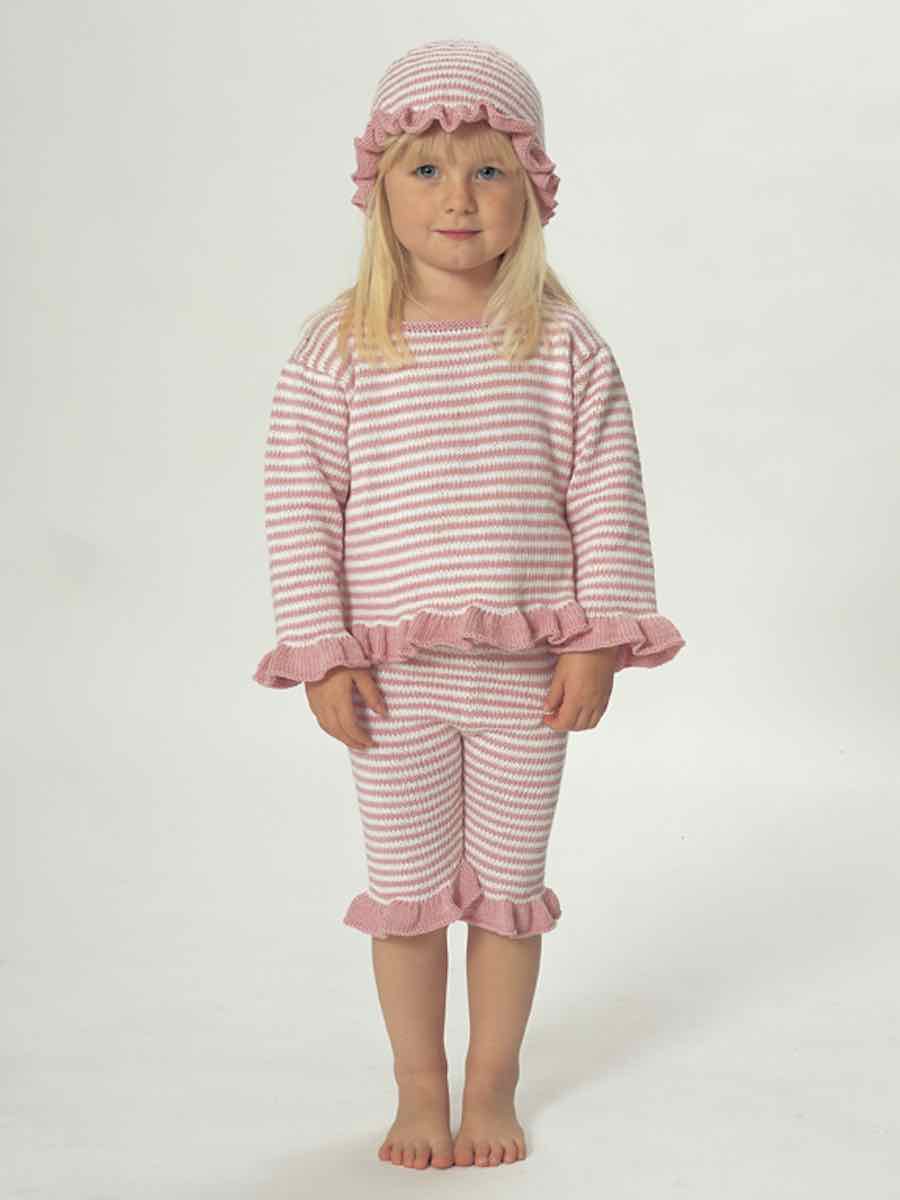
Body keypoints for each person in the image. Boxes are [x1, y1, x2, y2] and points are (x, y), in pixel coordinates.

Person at [252, 38, 686, 1171]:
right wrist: (321, 651)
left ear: (531, 186)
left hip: (525, 686)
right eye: (428, 170)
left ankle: (492, 1083)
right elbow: (301, 506)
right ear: (380, 189)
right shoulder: (340, 349)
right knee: (405, 896)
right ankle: (418, 1088)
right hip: (389, 688)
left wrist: (597, 641)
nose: (459, 197)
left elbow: (608, 497)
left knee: (506, 893)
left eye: (489, 170)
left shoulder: (564, 346)